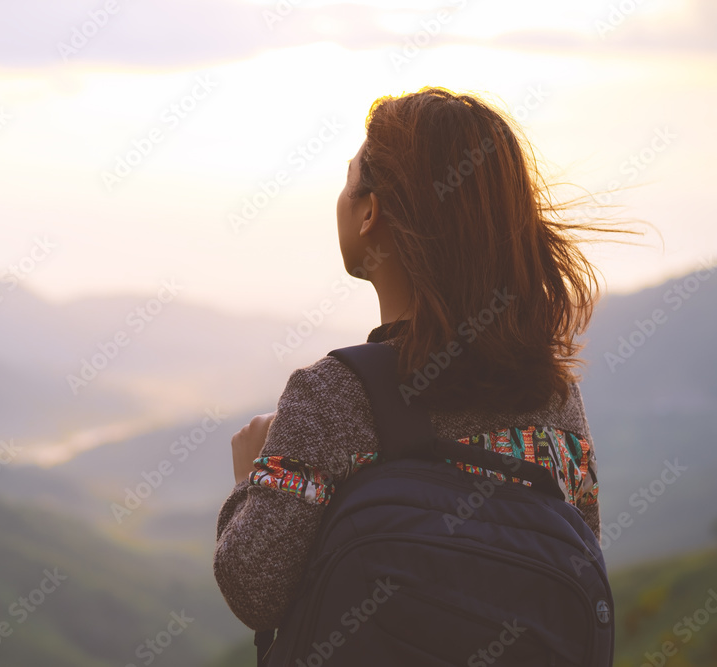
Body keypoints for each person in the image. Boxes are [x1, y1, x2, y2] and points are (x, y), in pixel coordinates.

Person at [213, 87, 631, 633]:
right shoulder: (555, 399)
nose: (341, 198)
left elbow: (253, 588)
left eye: (348, 182)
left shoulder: (334, 395)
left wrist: (250, 479)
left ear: (370, 213)